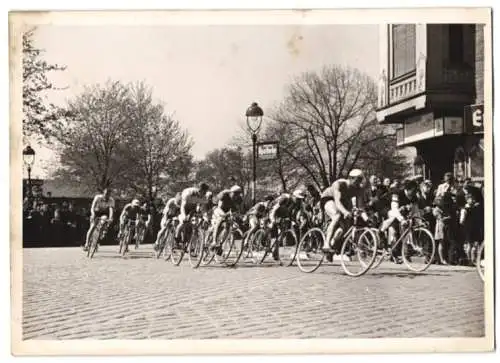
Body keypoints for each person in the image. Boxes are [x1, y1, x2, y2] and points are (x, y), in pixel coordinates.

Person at [320, 169, 369, 253]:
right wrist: (345, 212)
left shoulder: (359, 189)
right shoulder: (339, 184)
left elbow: (360, 207)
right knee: (337, 215)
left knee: (344, 228)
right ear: (351, 178)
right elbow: (337, 201)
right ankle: (326, 244)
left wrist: (367, 219)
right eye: (357, 180)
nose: (358, 183)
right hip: (329, 198)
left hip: (344, 201)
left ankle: (332, 244)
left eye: (360, 180)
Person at [379, 179, 420, 263]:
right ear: (407, 189)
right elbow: (394, 209)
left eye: (415, 191)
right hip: (385, 207)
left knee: (403, 228)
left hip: (399, 210)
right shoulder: (396, 193)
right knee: (394, 229)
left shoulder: (414, 196)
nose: (414, 193)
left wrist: (419, 221)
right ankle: (381, 233)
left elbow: (416, 210)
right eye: (413, 191)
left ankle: (398, 252)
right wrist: (401, 220)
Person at [267, 189, 308, 261]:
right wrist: (272, 220)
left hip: (283, 213)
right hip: (273, 209)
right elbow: (274, 209)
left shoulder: (299, 203)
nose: (299, 200)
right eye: (297, 198)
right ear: (293, 196)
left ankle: (275, 251)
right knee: (273, 226)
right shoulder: (285, 198)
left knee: (283, 231)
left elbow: (302, 212)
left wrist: (300, 221)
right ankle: (268, 243)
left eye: (300, 199)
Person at [210, 185, 244, 251]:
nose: (236, 196)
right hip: (218, 208)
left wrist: (237, 215)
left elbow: (237, 209)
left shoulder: (239, 199)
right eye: (235, 194)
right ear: (231, 192)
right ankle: (214, 241)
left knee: (228, 226)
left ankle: (220, 244)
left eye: (238, 194)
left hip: (228, 211)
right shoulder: (225, 194)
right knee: (220, 219)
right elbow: (216, 202)